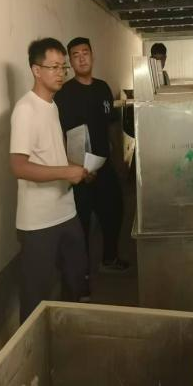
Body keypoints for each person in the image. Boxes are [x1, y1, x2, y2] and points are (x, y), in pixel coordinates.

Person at [9, 37, 89, 323]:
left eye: (62, 67)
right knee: (35, 295)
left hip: (66, 211)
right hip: (38, 222)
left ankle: (66, 333)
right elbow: (18, 166)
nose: (61, 73)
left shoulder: (52, 106)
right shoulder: (25, 110)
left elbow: (50, 156)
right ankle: (31, 348)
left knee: (75, 278)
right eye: (53, 67)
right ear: (36, 70)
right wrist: (66, 172)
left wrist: (76, 168)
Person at [54, 37, 130, 287]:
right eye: (75, 55)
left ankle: (109, 258)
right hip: (78, 171)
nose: (82, 58)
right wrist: (75, 169)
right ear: (70, 62)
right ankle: (82, 275)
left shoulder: (102, 88)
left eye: (85, 52)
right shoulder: (64, 94)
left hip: (104, 166)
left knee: (115, 210)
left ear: (92, 55)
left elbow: (111, 126)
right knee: (82, 223)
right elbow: (61, 136)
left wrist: (118, 159)